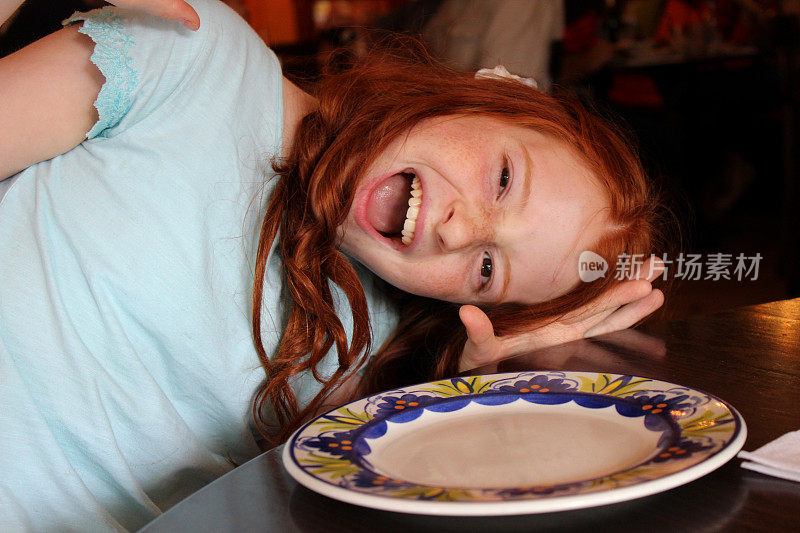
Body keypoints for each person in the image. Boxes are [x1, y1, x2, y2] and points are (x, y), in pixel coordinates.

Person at [0, 0, 667, 530]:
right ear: (480, 98)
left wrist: (479, 392)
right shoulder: (194, 57)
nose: (460, 229)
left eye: (488, 269)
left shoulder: (368, 364)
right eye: (501, 177)